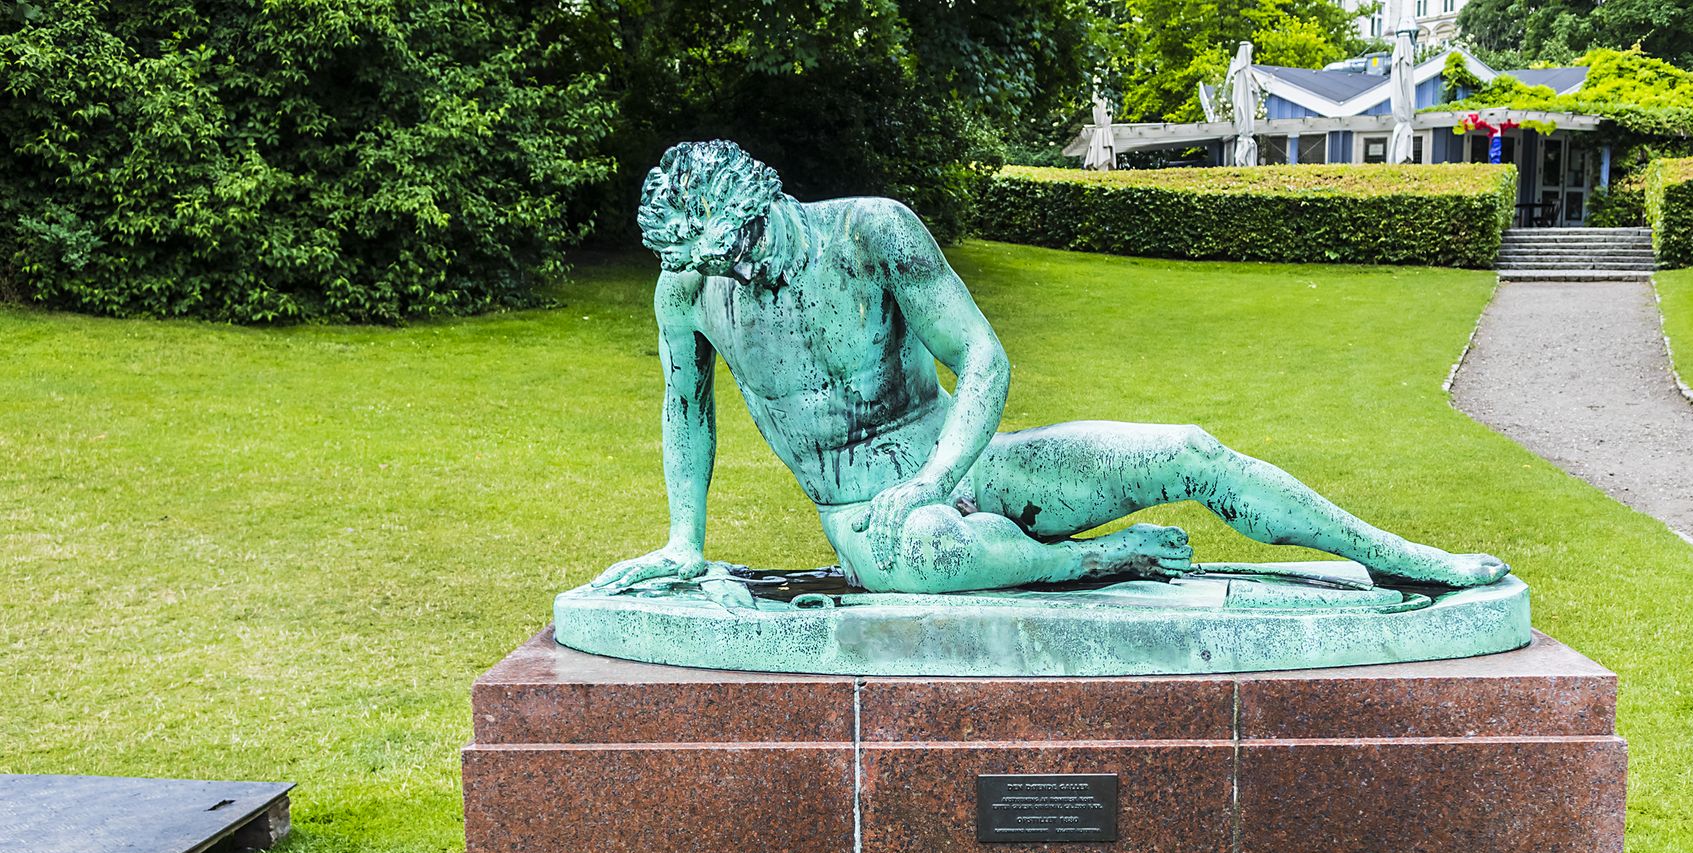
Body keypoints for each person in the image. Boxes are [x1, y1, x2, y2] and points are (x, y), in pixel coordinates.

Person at [595, 140, 1509, 597]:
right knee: (936, 548)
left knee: (1188, 451)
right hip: (867, 522)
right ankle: (1096, 564)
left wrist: (936, 476)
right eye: (714, 262)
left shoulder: (868, 232)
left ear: (769, 197)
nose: (738, 273)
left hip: (957, 462)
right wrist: (685, 543)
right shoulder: (689, 292)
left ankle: (1400, 562)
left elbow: (984, 358)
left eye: (745, 246)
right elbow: (687, 411)